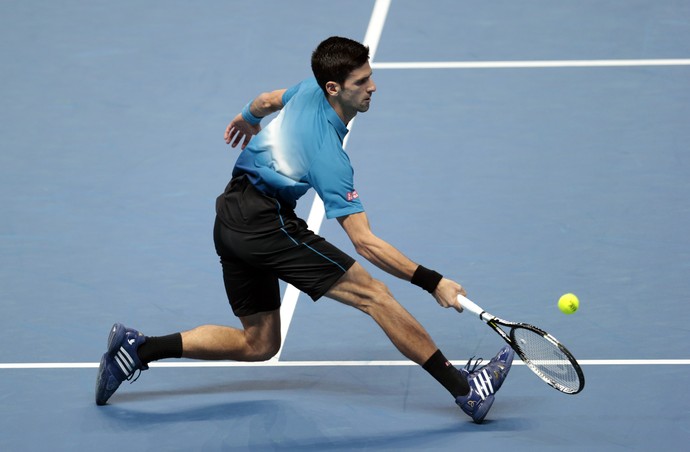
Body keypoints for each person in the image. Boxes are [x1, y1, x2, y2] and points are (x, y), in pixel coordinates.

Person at [95, 36, 514, 423]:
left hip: (228, 217)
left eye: (370, 76)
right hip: (265, 225)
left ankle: (139, 349)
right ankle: (465, 391)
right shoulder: (329, 156)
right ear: (334, 88)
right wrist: (433, 282)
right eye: (362, 81)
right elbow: (365, 243)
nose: (373, 87)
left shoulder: (308, 89)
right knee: (376, 296)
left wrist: (246, 119)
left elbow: (263, 101)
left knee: (260, 344)